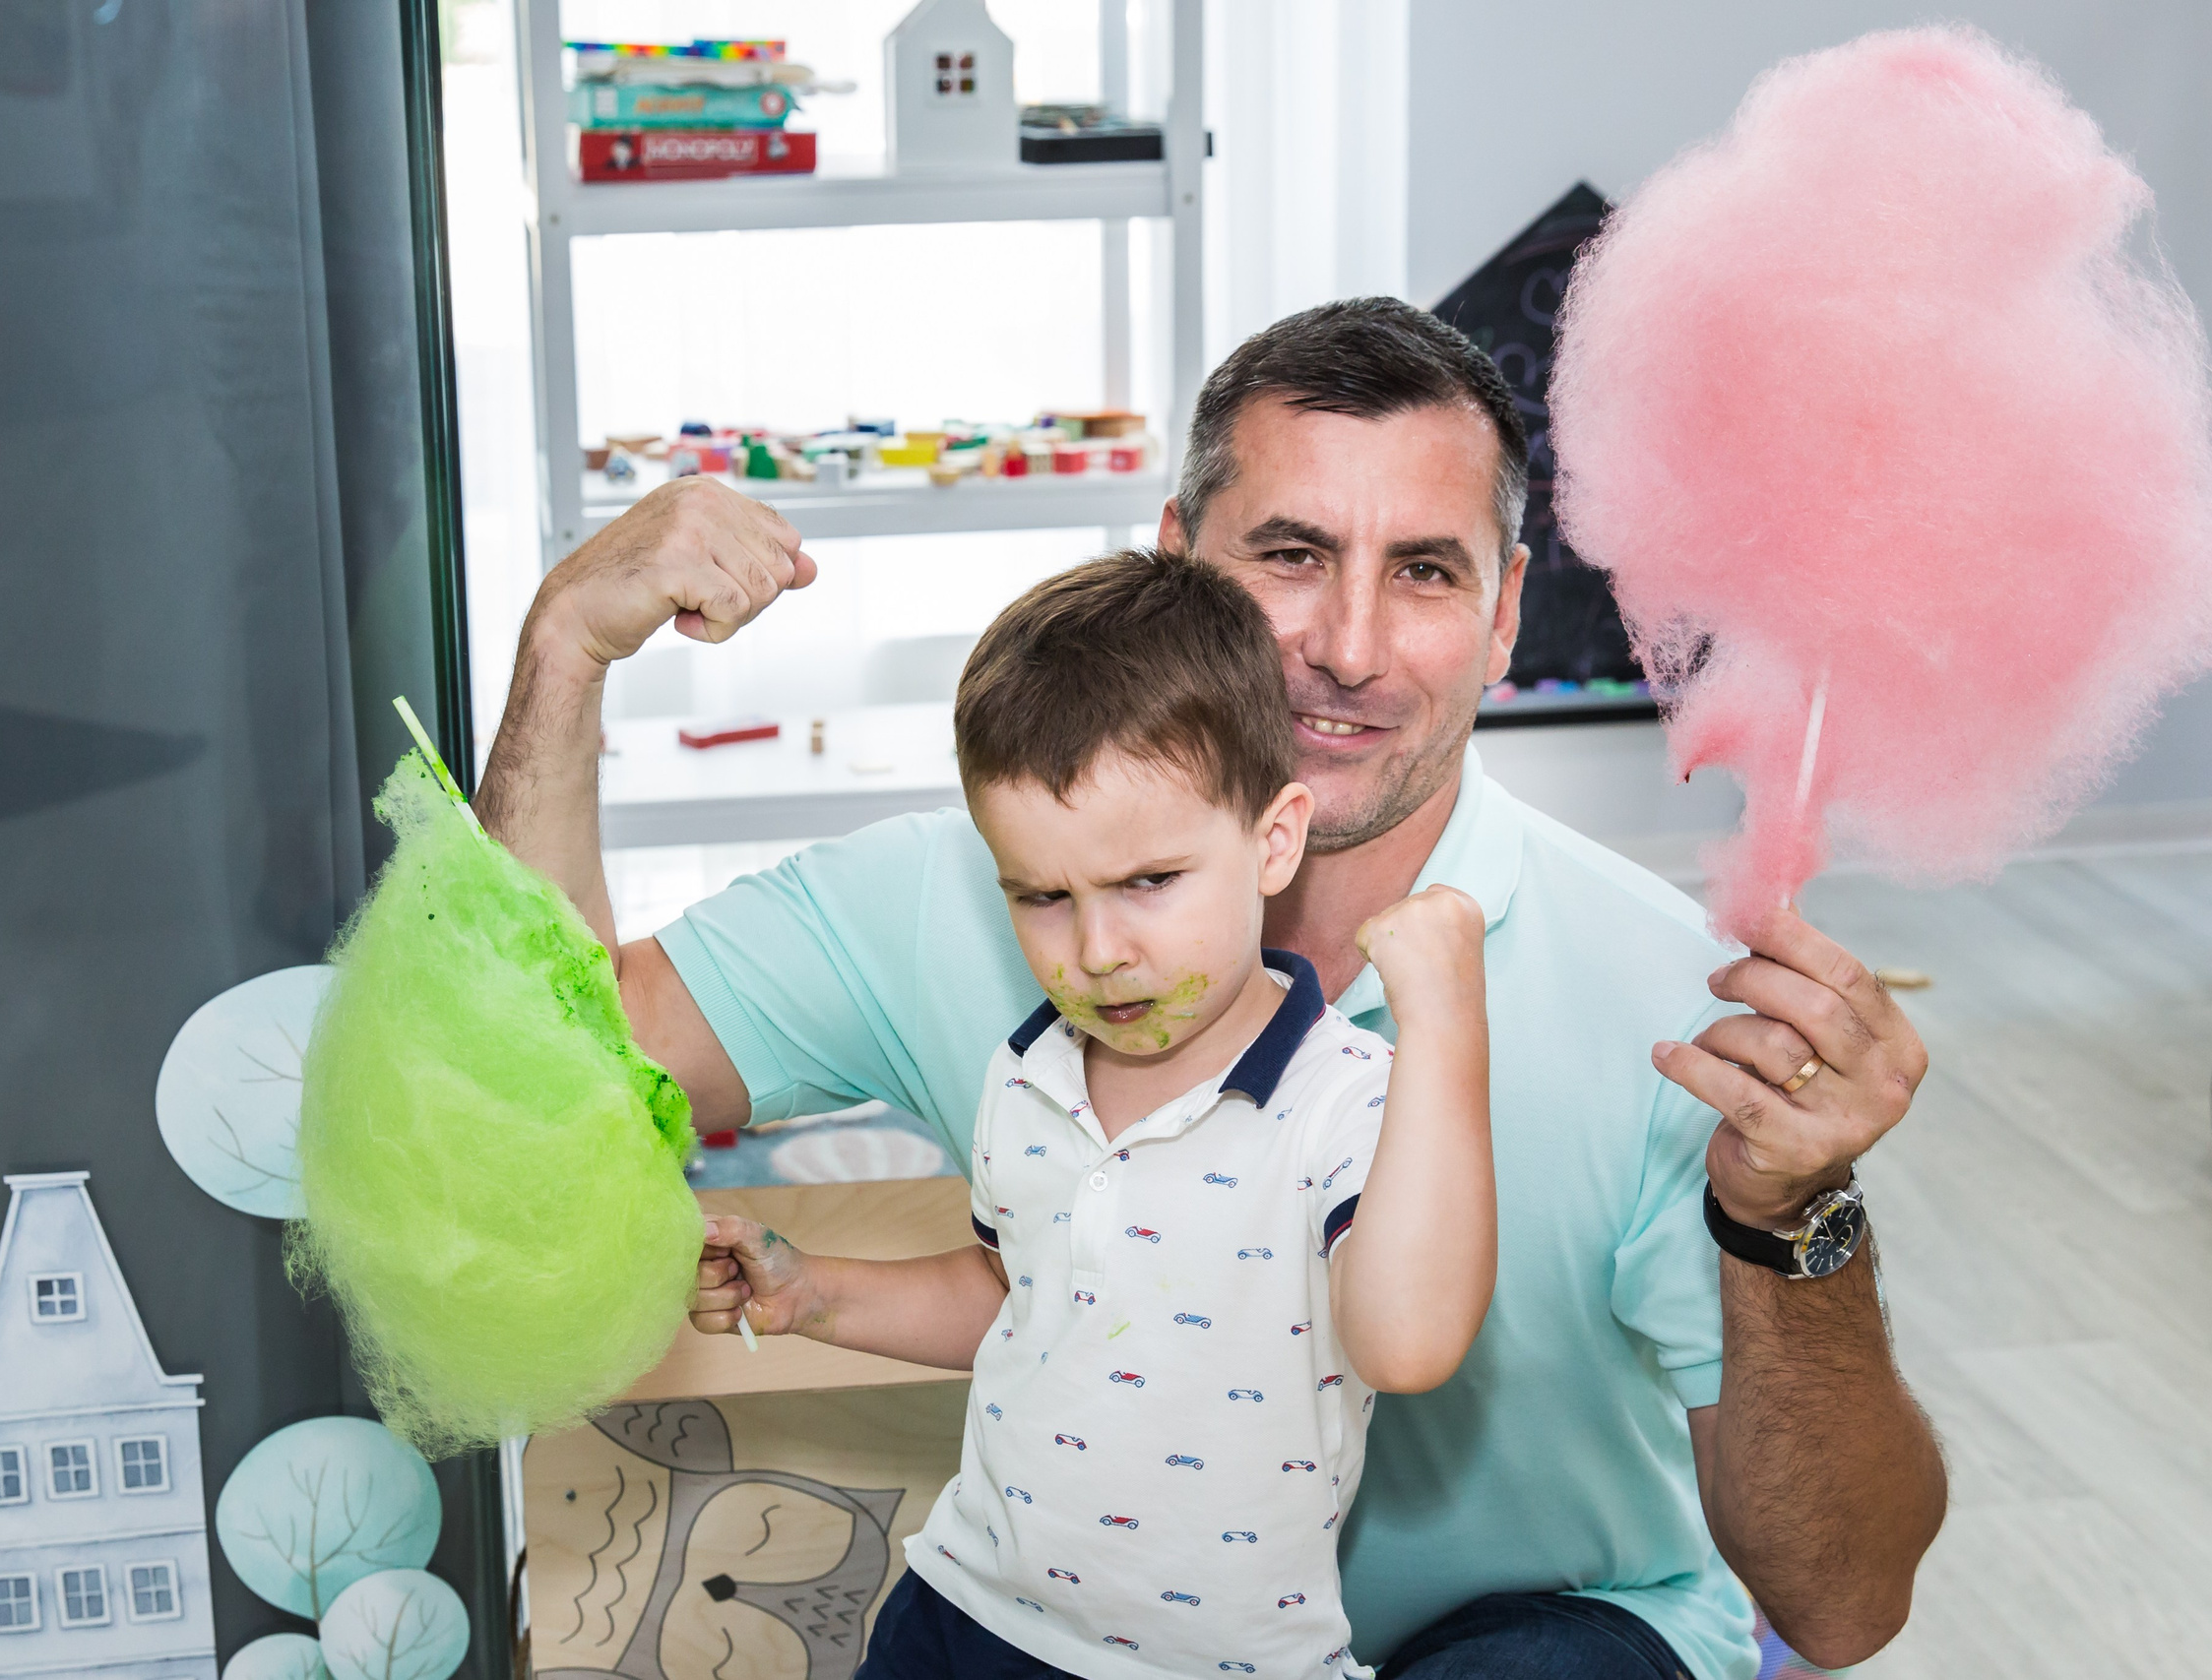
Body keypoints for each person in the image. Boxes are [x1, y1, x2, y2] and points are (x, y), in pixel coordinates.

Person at [478, 297, 1946, 1680]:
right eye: (1291, 554)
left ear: (1505, 616)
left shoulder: (1667, 995)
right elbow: (540, 1087)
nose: (1348, 648)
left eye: (1424, 571)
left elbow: (1841, 1601)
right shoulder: (978, 884)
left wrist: (1791, 1223)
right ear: (1177, 553)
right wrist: (564, 651)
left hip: (1541, 1627)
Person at [687, 551, 1496, 1679]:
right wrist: (818, 1292)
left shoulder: (1345, 1098)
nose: (1099, 950)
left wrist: (1447, 1017)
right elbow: (1018, 1302)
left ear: (1274, 839)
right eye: (1043, 896)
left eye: (1150, 882)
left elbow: (1407, 1344)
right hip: (962, 1617)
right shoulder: (1029, 1074)